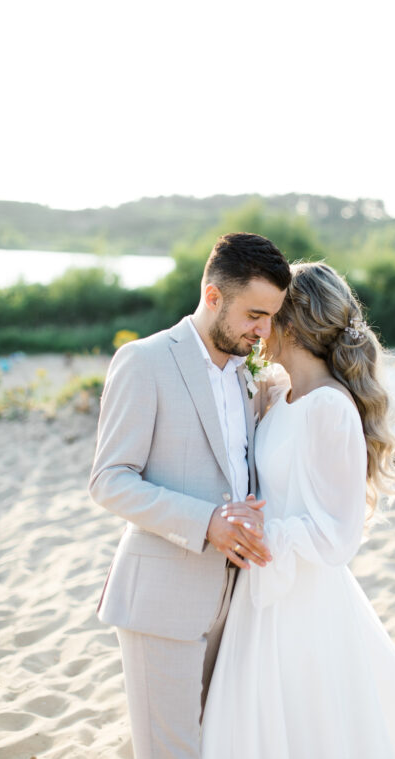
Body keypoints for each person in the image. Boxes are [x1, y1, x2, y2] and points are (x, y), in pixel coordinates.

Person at [200, 262, 395, 758]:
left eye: (270, 315)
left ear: (293, 323)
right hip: (262, 587)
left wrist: (267, 532)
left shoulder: (330, 407)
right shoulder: (281, 395)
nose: (261, 327)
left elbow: (339, 534)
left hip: (301, 597)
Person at [88, 232, 290, 758]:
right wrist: (208, 522)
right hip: (161, 601)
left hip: (233, 601)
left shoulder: (249, 375)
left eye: (271, 317)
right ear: (213, 295)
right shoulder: (144, 361)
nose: (263, 331)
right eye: (254, 314)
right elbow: (109, 479)